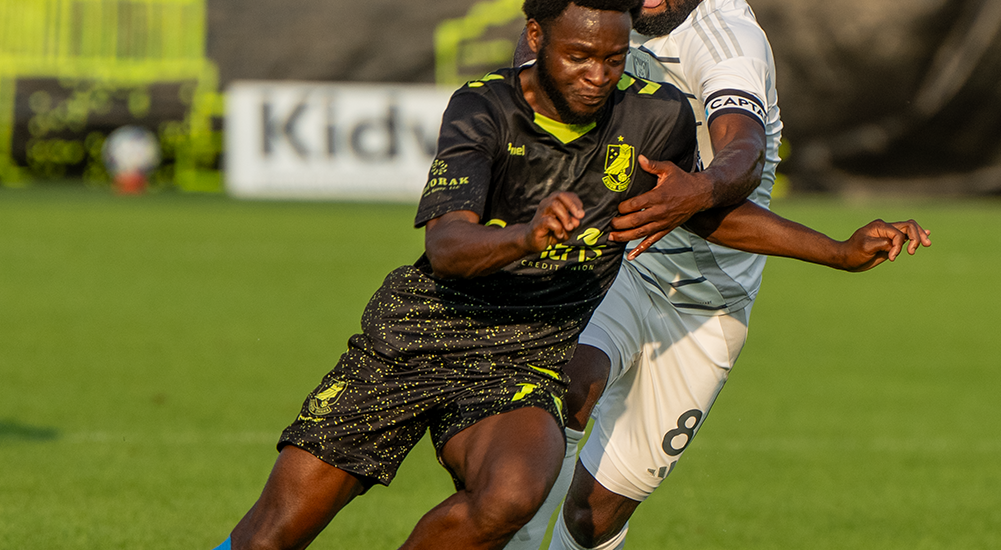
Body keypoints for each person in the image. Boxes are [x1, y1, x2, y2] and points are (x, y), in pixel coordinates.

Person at [218, 1, 926, 549]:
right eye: (582, 56)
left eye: (613, 58)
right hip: (420, 336)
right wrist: (528, 234)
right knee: (271, 535)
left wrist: (837, 251)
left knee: (521, 493)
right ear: (537, 40)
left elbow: (695, 206)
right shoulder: (485, 104)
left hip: (532, 350)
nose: (598, 73)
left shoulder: (661, 107)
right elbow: (447, 249)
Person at [499, 1, 932, 549]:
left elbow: (742, 154)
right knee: (563, 391)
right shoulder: (591, 19)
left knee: (593, 518)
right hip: (619, 265)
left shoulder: (727, 40)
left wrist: (698, 193)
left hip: (707, 305)